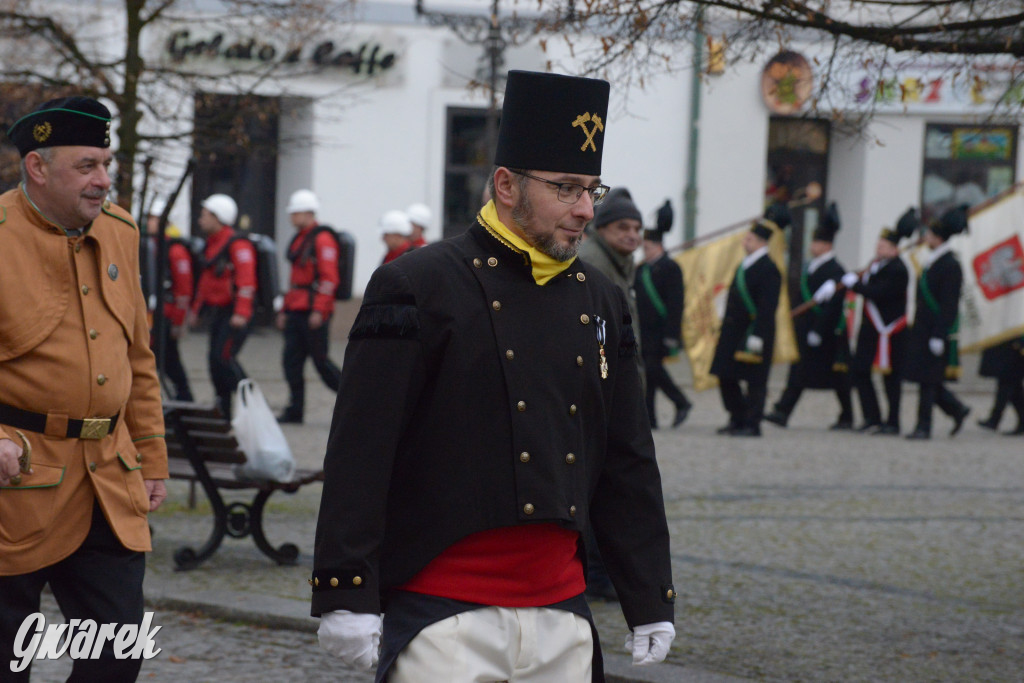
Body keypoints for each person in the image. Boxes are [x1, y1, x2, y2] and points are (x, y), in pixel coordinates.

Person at [312, 70, 676, 682]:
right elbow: (362, 449)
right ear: (506, 185)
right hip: (443, 617)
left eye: (592, 189)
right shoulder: (416, 285)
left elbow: (627, 457)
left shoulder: (603, 298)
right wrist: (345, 589)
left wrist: (649, 595)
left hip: (562, 618)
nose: (586, 209)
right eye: (566, 189)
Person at [0, 96, 168, 682]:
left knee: (117, 656)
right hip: (16, 484)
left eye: (106, 164)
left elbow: (138, 357)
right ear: (37, 168)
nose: (102, 180)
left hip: (108, 480)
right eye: (86, 166)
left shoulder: (120, 230)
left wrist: (152, 457)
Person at [765, 203, 854, 430]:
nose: (812, 246)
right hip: (805, 327)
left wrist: (818, 330)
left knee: (838, 376)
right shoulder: (811, 266)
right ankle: (783, 411)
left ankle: (847, 415)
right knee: (799, 371)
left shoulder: (835, 269)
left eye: (816, 242)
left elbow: (834, 306)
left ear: (826, 245)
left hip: (826, 331)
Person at [710, 204, 789, 437]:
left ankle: (753, 424)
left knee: (755, 381)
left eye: (749, 239)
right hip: (732, 331)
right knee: (725, 375)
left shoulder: (769, 269)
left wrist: (758, 335)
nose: (745, 242)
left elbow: (767, 308)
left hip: (754, 332)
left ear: (762, 243)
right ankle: (737, 417)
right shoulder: (744, 265)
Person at [904, 205, 972, 440]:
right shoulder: (932, 261)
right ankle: (957, 409)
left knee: (928, 380)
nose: (926, 238)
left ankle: (924, 427)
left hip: (934, 330)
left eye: (930, 234)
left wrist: (939, 335)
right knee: (926, 378)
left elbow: (949, 304)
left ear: (938, 238)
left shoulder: (950, 265)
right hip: (922, 329)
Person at [844, 210, 915, 435]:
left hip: (891, 331)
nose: (878, 249)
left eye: (883, 246)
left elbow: (879, 293)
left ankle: (892, 422)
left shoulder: (898, 269)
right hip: (871, 330)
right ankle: (871, 416)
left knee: (891, 379)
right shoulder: (876, 265)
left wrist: (855, 286)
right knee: (859, 371)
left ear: (894, 250)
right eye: (878, 244)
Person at [276, 189, 343, 424]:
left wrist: (320, 310)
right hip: (297, 308)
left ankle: (353, 400)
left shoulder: (322, 239)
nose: (291, 217)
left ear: (308, 213)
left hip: (313, 310)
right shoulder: (301, 238)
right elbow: (295, 280)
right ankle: (295, 410)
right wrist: (284, 309)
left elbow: (329, 278)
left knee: (321, 362)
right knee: (291, 362)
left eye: (295, 213)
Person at [189, 193, 257, 419]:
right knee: (214, 361)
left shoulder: (237, 244)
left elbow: (247, 281)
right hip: (218, 313)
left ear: (218, 217)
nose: (200, 219)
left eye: (205, 215)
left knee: (224, 358)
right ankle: (223, 410)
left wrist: (242, 312)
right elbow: (206, 282)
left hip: (233, 313)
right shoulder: (212, 244)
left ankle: (253, 404)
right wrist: (197, 310)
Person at [636, 202, 691, 429]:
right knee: (649, 374)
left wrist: (672, 335)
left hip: (661, 331)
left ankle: (681, 401)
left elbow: (676, 305)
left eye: (648, 247)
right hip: (643, 330)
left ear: (659, 246)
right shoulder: (641, 269)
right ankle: (650, 418)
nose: (645, 251)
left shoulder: (671, 268)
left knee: (653, 369)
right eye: (643, 248)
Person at [578, 186, 644, 350]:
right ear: (601, 227)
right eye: (623, 227)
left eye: (637, 229)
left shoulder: (620, 259)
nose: (633, 235)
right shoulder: (593, 262)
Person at [146, 197, 195, 401]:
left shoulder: (175, 251)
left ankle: (184, 398)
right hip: (153, 315)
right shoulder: (151, 246)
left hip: (166, 316)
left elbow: (183, 290)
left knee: (169, 360)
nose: (148, 222)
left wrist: (178, 321)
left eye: (153, 218)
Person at [976, 336, 1024, 435]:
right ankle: (995, 419)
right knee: (1013, 389)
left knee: (1007, 385)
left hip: (1015, 347)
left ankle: (995, 419)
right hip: (1008, 345)